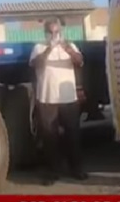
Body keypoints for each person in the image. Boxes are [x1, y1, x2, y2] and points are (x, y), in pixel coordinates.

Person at [30, 18, 87, 185]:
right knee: (49, 137)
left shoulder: (70, 46)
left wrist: (66, 48)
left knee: (73, 134)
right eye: (51, 32)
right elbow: (36, 64)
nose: (55, 35)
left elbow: (79, 61)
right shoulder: (39, 48)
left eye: (57, 32)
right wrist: (50, 48)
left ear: (61, 32)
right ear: (46, 33)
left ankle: (76, 168)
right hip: (47, 99)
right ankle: (52, 172)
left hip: (68, 98)